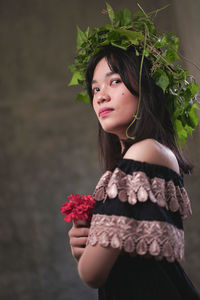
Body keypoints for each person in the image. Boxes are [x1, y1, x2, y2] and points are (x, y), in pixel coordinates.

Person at [68, 3, 200, 299]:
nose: (101, 95)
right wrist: (86, 244)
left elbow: (91, 273)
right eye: (95, 88)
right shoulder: (142, 158)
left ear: (147, 87)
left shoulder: (146, 152)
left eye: (115, 81)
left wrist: (87, 254)